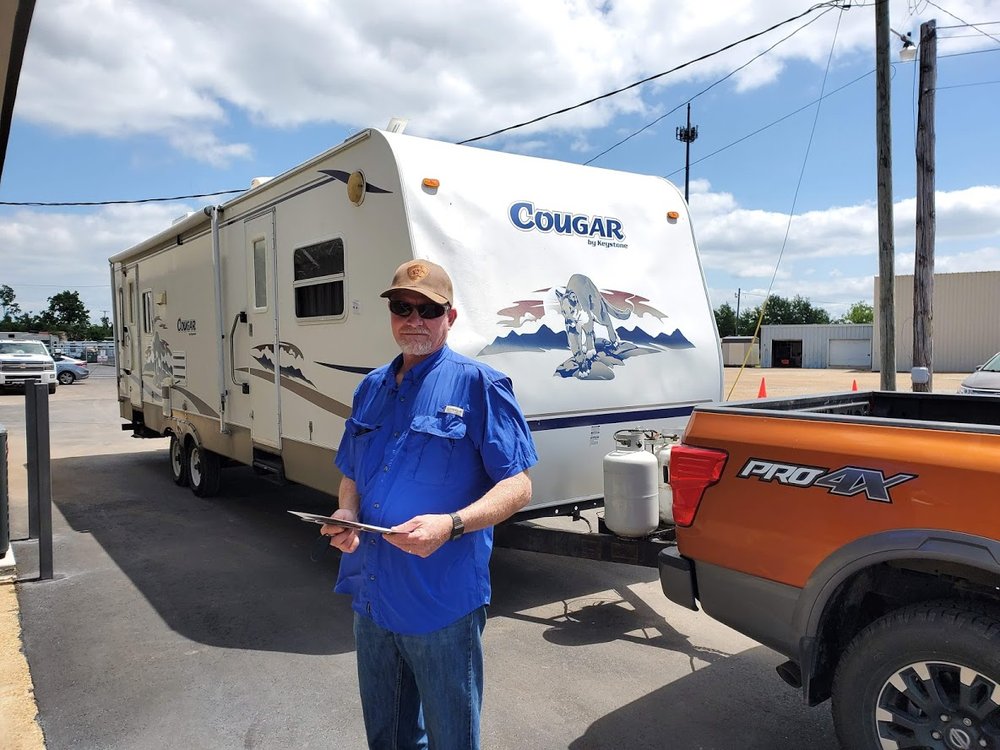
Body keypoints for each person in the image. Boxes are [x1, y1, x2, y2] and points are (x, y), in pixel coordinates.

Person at [322, 258, 538, 750]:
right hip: (373, 598)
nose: (414, 319)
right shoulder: (371, 388)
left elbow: (519, 486)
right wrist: (346, 513)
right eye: (402, 307)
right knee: (387, 738)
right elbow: (351, 471)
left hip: (441, 603)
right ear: (391, 313)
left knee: (451, 740)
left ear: (451, 318)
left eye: (428, 309)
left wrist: (452, 523)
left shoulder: (481, 386)